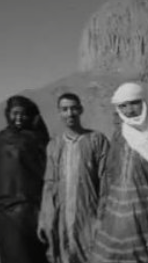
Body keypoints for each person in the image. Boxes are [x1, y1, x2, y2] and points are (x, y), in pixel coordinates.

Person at [91, 83, 148, 263]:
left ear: (143, 103)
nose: (130, 110)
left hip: (147, 220)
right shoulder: (119, 136)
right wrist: (100, 217)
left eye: (134, 103)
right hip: (114, 221)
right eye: (123, 105)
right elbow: (109, 178)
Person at [38, 93, 110, 263]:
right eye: (65, 109)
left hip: (90, 218)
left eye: (73, 108)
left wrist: (103, 218)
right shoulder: (54, 145)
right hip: (63, 219)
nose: (70, 113)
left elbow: (107, 182)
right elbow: (49, 185)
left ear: (80, 110)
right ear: (59, 113)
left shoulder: (96, 140)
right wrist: (45, 218)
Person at [0, 95, 50, 263]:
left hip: (28, 208)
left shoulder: (38, 139)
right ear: (7, 114)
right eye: (15, 113)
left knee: (32, 252)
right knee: (9, 252)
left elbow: (45, 173)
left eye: (23, 114)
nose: (19, 118)